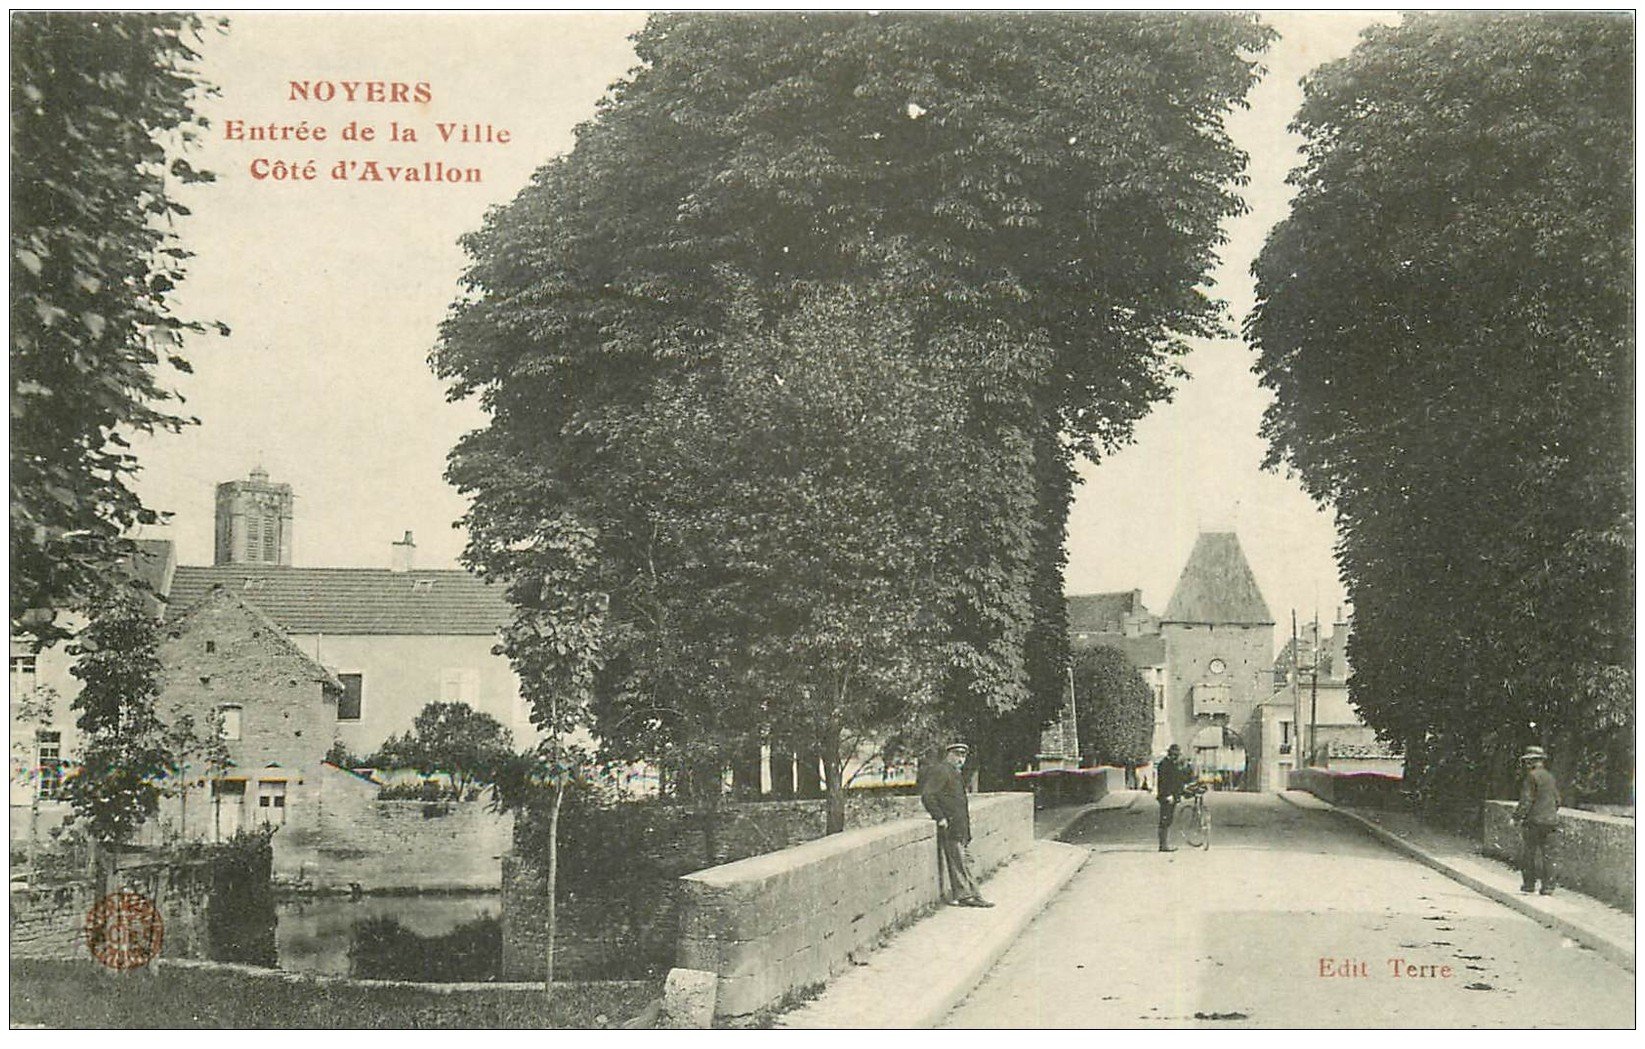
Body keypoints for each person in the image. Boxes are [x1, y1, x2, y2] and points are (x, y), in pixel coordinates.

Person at [921, 742, 993, 907]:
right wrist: (939, 817)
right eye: (957, 755)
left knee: (965, 861)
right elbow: (927, 795)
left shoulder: (954, 773)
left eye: (963, 756)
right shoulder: (942, 770)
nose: (961, 759)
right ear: (949, 755)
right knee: (959, 861)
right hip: (950, 825)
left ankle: (974, 894)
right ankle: (965, 896)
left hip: (960, 825)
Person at [1514, 745, 1561, 895]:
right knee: (1549, 855)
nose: (1527, 764)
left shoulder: (1531, 776)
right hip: (1551, 821)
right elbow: (1558, 800)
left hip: (1534, 821)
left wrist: (1516, 817)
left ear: (1532, 762)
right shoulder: (1550, 777)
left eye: (1528, 761)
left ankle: (1529, 885)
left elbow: (1526, 800)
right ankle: (1548, 887)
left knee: (1529, 853)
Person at [1155, 743, 1193, 853]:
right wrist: (1167, 795)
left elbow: (1181, 778)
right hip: (1166, 796)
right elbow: (1163, 782)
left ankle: (1164, 844)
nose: (1176, 756)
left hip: (1172, 796)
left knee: (1168, 819)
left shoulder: (1173, 764)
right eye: (1175, 754)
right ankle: (1163, 845)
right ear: (1171, 754)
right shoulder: (1164, 764)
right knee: (1165, 819)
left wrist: (1188, 767)